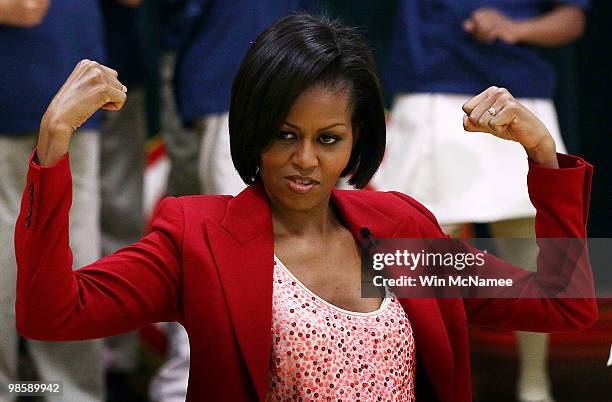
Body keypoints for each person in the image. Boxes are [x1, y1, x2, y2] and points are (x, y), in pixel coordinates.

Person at [13, 14, 597, 402]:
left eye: (328, 139)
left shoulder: (398, 237)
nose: (305, 161)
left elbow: (563, 303)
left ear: (357, 139)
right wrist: (53, 144)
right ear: (253, 130)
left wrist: (544, 155)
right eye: (284, 135)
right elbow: (51, 315)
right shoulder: (198, 237)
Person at [374, 2, 589, 401]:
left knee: (535, 256)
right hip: (429, 93)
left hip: (520, 96)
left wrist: (515, 27)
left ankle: (534, 382)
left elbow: (572, 17)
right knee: (409, 262)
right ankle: (403, 383)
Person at [0, 1, 107, 400]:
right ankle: (69, 392)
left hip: (33, 75)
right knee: (70, 245)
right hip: (72, 69)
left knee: (18, 248)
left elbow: (25, 7)